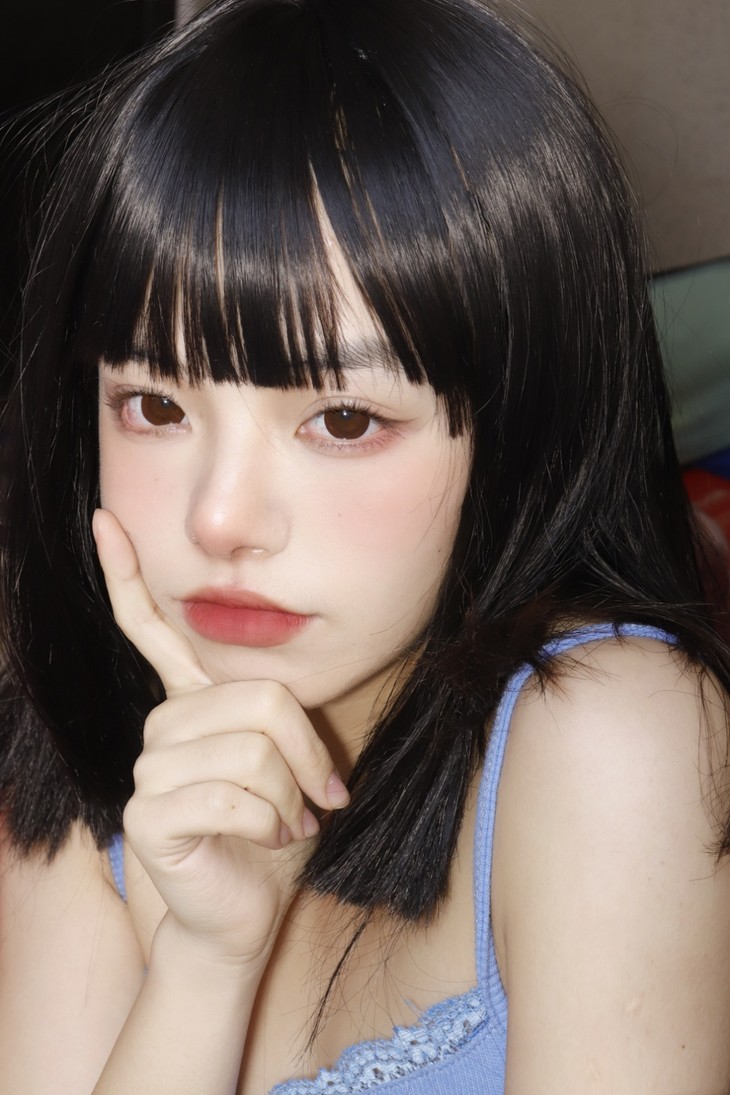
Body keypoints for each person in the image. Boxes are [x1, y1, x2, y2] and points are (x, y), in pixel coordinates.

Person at [1, 0, 730, 1091]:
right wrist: (202, 967)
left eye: (342, 420)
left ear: (518, 431)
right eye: (154, 405)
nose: (218, 519)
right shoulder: (77, 762)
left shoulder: (609, 736)